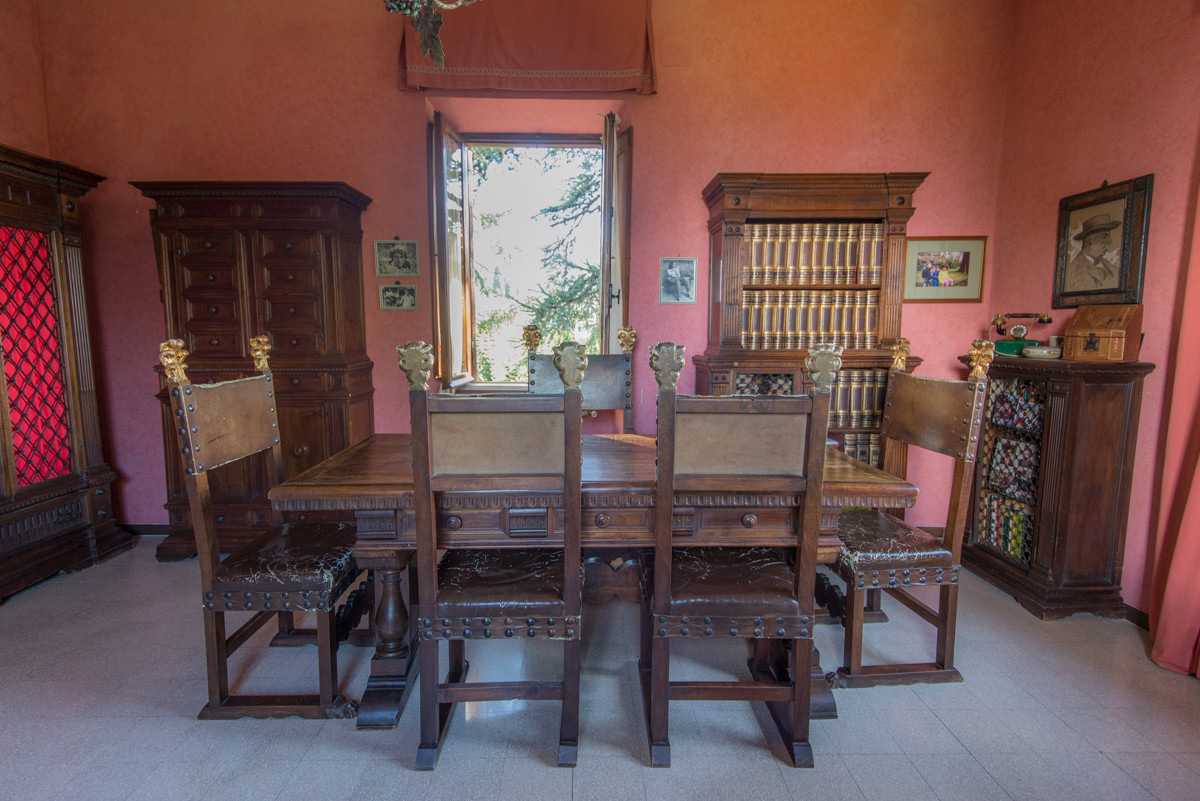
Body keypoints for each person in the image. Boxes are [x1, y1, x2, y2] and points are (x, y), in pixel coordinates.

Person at [1067, 213, 1120, 291]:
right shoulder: (1075, 269)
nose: (1109, 241)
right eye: (1104, 236)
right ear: (1089, 241)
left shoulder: (1110, 266)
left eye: (1108, 236)